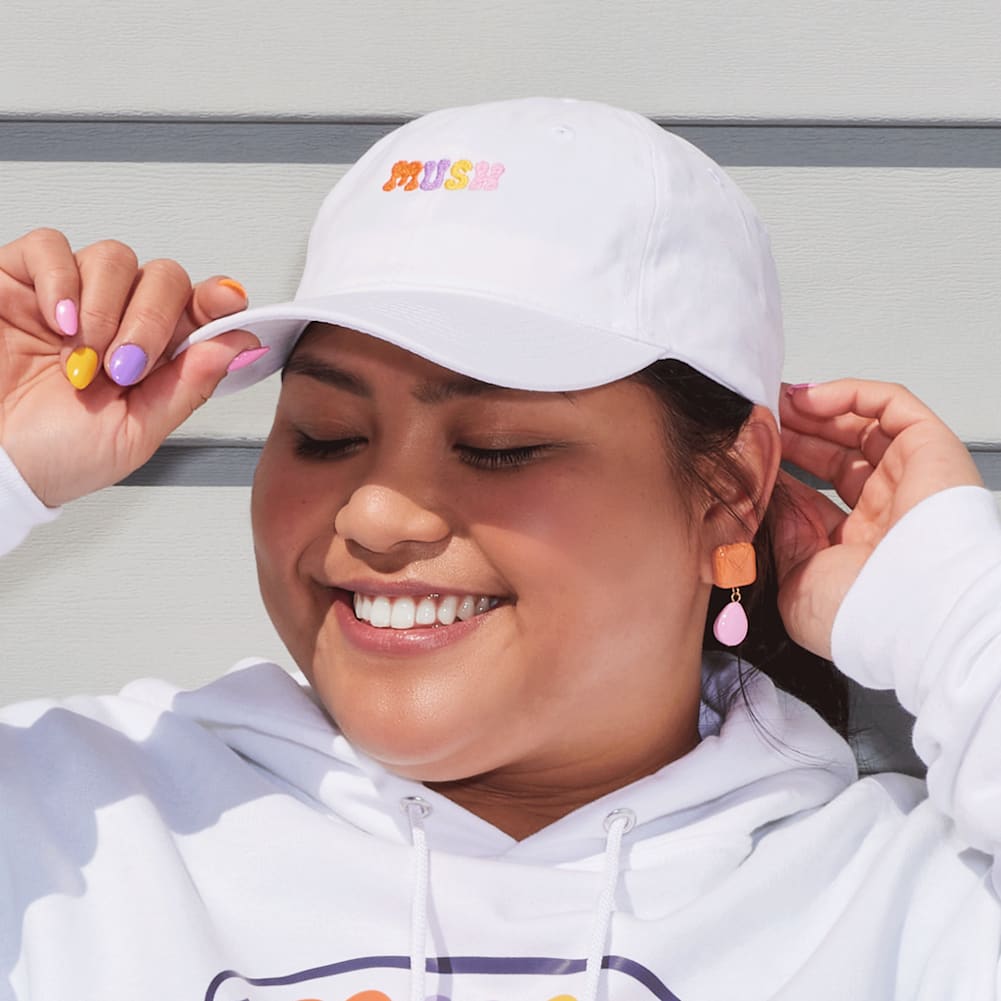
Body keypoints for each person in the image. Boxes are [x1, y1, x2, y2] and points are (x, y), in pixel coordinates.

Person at [0, 98, 998, 1001]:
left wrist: (949, 603)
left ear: (726, 491)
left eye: (497, 447)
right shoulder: (74, 825)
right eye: (324, 435)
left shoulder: (901, 909)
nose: (377, 516)